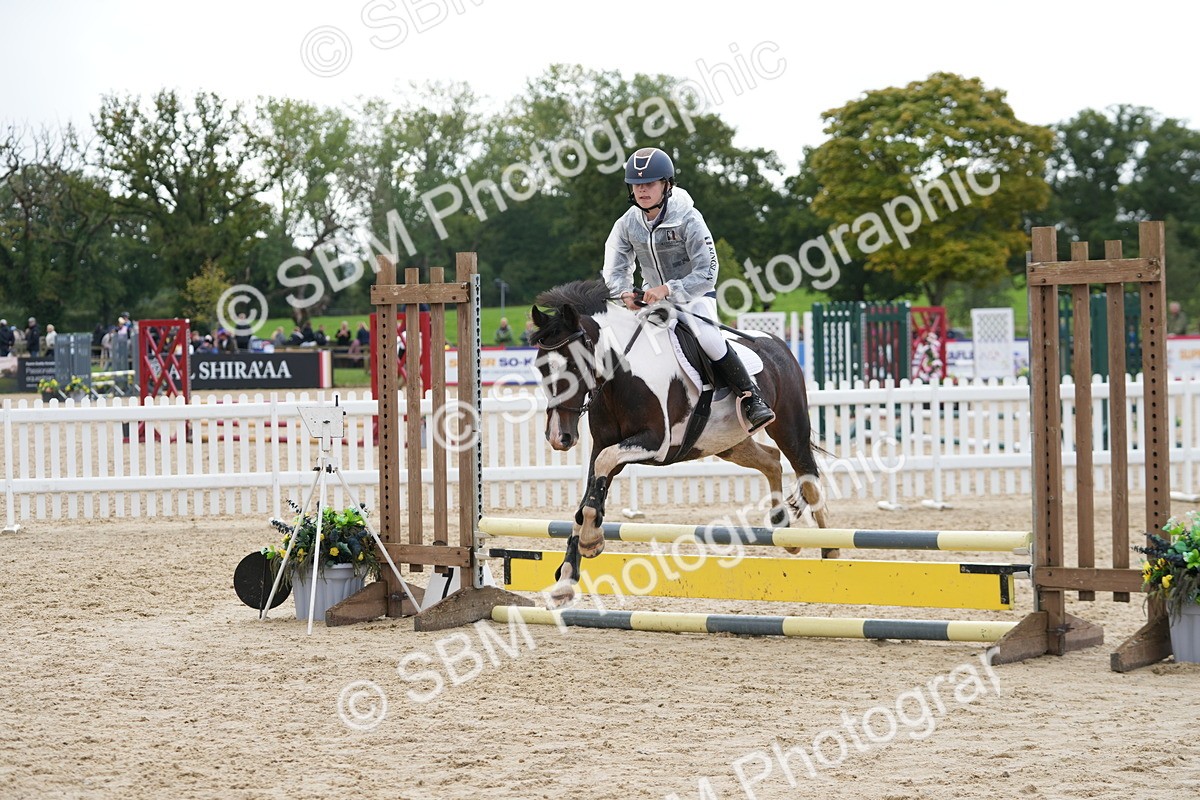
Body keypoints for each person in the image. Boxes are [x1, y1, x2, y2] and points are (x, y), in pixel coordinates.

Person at [602, 146, 774, 432]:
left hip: (695, 296)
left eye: (649, 183)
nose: (642, 190)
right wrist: (623, 293)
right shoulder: (627, 224)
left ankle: (751, 398)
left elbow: (708, 271)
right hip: (653, 299)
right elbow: (615, 266)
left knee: (708, 338)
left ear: (666, 185)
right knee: (630, 340)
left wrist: (668, 289)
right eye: (636, 184)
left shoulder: (688, 218)